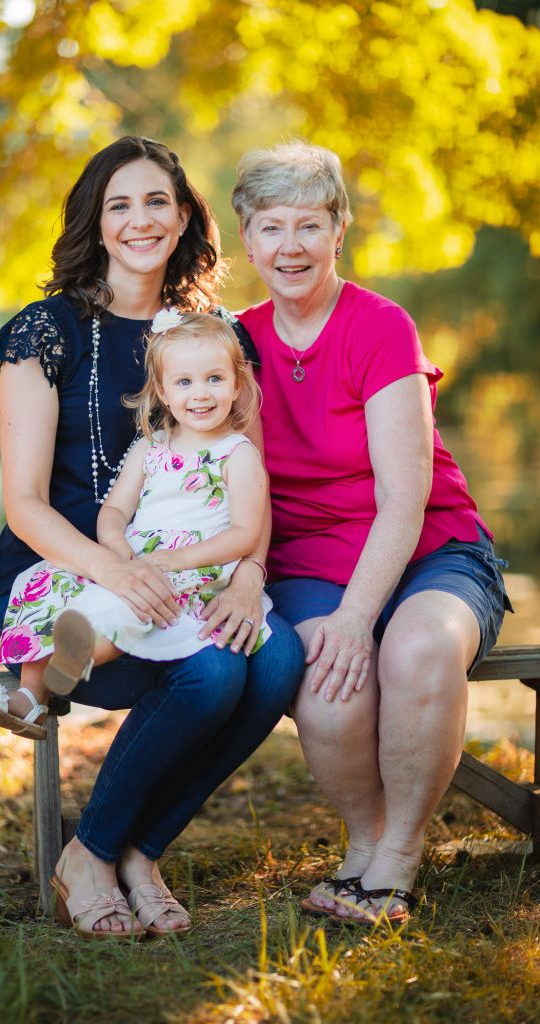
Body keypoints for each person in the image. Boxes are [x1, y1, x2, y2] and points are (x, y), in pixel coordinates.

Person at [0, 136, 304, 940]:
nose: (140, 220)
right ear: (96, 220)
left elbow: (246, 477)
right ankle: (95, 852)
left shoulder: (216, 338)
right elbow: (25, 505)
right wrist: (118, 570)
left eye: (157, 200)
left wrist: (251, 573)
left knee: (278, 656)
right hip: (68, 586)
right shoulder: (43, 333)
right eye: (119, 204)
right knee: (214, 677)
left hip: (193, 572)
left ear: (185, 215)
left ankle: (130, 850)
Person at [231, 140, 511, 925]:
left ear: (338, 230)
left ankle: (397, 857)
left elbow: (405, 497)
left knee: (414, 648)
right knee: (327, 688)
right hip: (307, 560)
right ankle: (365, 839)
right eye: (271, 227)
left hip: (428, 550)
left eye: (309, 225)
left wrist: (359, 616)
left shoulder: (380, 326)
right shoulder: (237, 342)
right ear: (246, 240)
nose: (290, 246)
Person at [0, 309, 273, 707]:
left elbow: (245, 533)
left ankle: (79, 657)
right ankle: (29, 695)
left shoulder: (237, 453)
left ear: (237, 385)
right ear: (163, 391)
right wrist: (115, 546)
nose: (201, 393)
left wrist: (178, 559)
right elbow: (115, 509)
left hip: (196, 563)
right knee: (51, 580)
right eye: (184, 382)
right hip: (135, 554)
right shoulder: (150, 446)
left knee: (132, 604)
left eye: (215, 379)